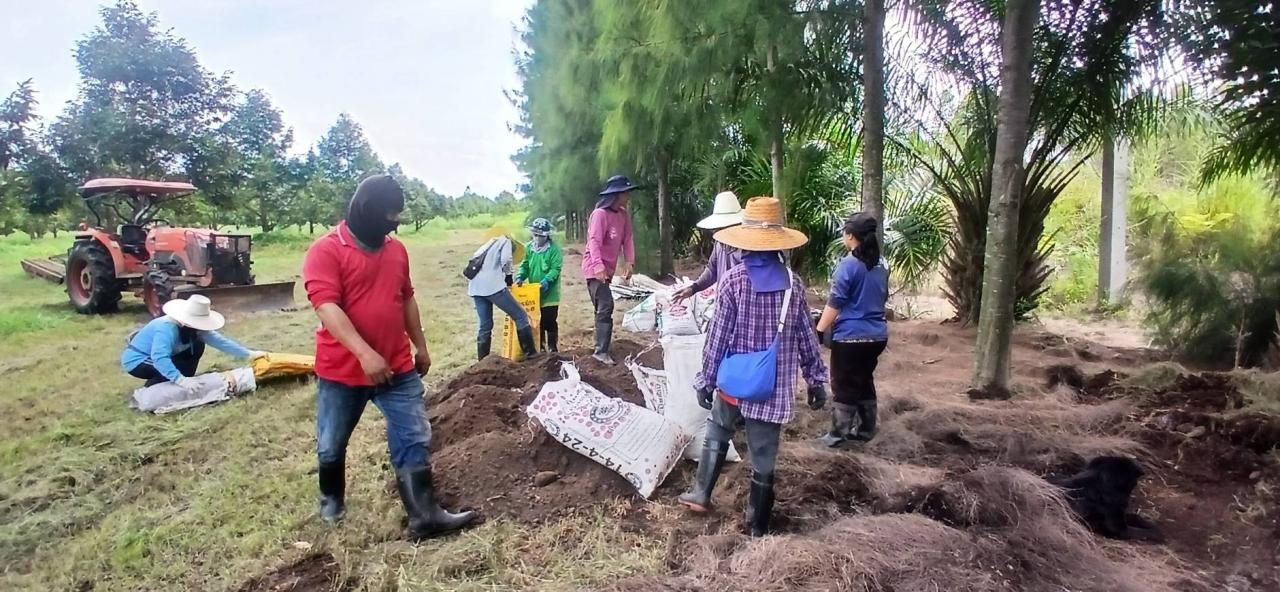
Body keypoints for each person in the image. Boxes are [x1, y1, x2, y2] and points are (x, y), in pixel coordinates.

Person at [302, 174, 476, 539]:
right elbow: (326, 306)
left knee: (413, 433)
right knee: (332, 443)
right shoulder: (326, 250)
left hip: (396, 366)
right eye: (389, 215)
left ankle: (424, 515)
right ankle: (331, 501)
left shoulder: (396, 250)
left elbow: (406, 298)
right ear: (366, 211)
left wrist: (421, 345)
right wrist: (365, 354)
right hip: (343, 370)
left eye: (398, 216)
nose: (395, 223)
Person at [677, 196, 829, 537]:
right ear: (778, 243)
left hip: (734, 381)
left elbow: (718, 336)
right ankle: (757, 524)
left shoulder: (734, 281)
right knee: (764, 453)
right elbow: (807, 333)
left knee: (718, 427)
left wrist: (706, 378)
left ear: (746, 240)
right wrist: (816, 379)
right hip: (772, 386)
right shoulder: (794, 284)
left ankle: (702, 493)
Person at [814, 212, 889, 446]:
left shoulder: (849, 265)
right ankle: (866, 430)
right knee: (865, 379)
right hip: (877, 335)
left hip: (851, 338)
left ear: (850, 236)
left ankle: (837, 436)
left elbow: (835, 302)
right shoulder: (881, 265)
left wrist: (820, 328)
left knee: (844, 384)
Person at [121, 294, 262, 387]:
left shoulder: (196, 330)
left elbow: (221, 342)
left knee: (198, 344)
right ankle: (153, 387)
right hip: (139, 360)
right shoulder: (166, 328)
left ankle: (176, 378)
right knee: (170, 374)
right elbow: (159, 358)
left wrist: (249, 354)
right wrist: (180, 380)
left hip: (165, 356)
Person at [582, 175, 637, 364]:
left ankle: (600, 346)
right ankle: (601, 352)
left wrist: (629, 261)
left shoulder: (622, 215)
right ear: (616, 194)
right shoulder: (600, 215)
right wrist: (598, 266)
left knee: (602, 307)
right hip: (594, 268)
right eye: (626, 192)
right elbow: (594, 242)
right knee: (606, 305)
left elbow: (628, 238)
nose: (628, 196)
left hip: (609, 269)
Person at [469, 226, 537, 360]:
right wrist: (508, 276)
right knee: (521, 316)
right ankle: (531, 355)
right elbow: (506, 260)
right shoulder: (506, 241)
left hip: (476, 288)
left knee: (485, 325)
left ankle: (482, 361)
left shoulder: (487, 245)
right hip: (493, 287)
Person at [674, 191, 744, 302]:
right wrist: (694, 288)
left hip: (742, 304)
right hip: (724, 301)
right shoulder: (720, 244)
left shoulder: (747, 248)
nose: (716, 231)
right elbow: (712, 270)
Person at [516, 218, 563, 352]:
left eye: (540, 235)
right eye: (535, 235)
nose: (537, 238)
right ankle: (540, 347)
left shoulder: (554, 250)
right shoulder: (529, 248)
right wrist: (520, 277)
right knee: (538, 321)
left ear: (546, 235)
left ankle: (553, 347)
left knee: (549, 320)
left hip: (550, 293)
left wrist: (548, 280)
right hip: (534, 293)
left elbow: (556, 268)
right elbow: (525, 265)